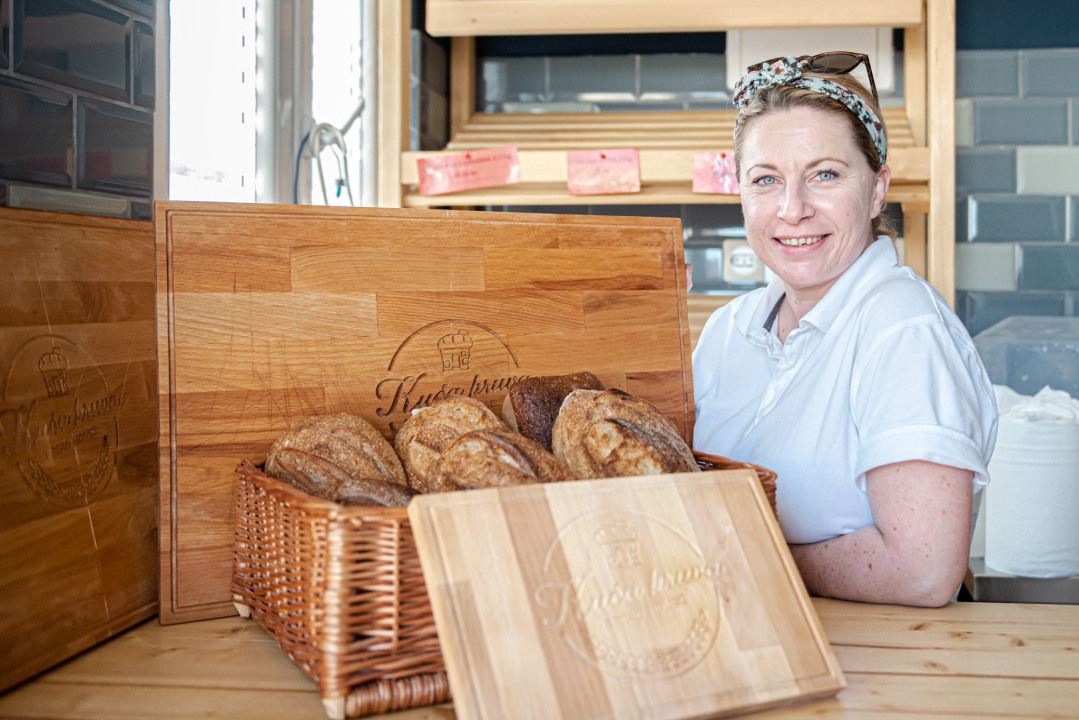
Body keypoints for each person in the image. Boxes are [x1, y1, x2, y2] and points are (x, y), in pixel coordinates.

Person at [692, 54, 997, 607]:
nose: (792, 209)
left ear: (877, 189)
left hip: (879, 676)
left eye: (824, 175)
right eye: (766, 180)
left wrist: (747, 555)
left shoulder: (903, 330)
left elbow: (922, 571)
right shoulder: (725, 332)